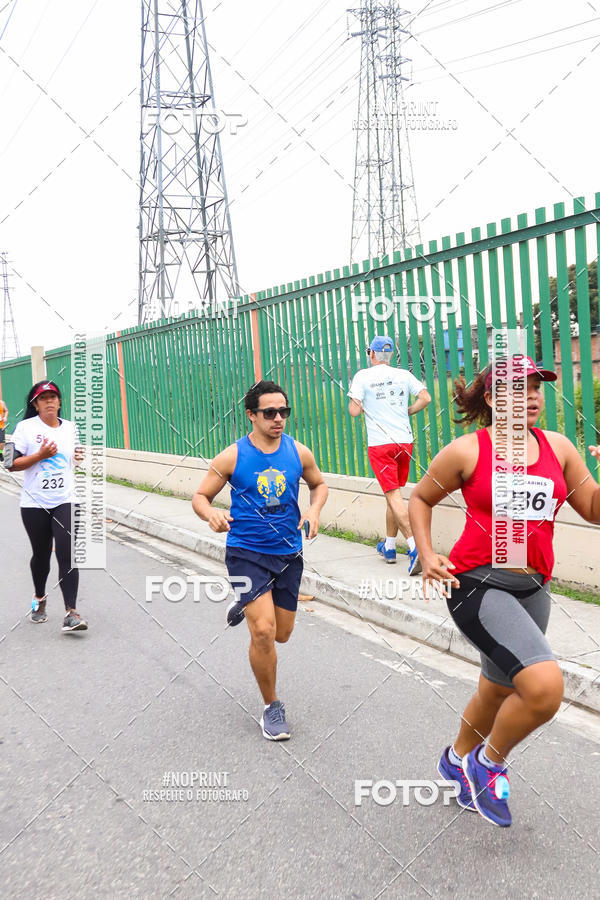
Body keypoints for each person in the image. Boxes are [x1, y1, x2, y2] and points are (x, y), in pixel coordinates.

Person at [408, 356, 600, 827]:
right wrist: (427, 552)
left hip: (534, 585)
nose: (532, 396)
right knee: (543, 689)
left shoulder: (559, 447)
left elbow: (593, 508)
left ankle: (455, 759)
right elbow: (420, 497)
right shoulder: (468, 451)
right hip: (477, 582)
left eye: (537, 387)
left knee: (496, 688)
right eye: (519, 388)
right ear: (493, 399)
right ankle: (487, 764)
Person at [192, 380, 328, 741]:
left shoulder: (299, 452)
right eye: (269, 412)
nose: (278, 418)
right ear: (251, 415)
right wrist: (211, 515)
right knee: (264, 631)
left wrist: (314, 510)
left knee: (282, 634)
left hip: (287, 552)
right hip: (246, 552)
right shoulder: (232, 456)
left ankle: (246, 604)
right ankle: (272, 706)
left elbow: (319, 484)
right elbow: (200, 496)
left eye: (284, 411)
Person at [8, 381, 87, 632]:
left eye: (54, 397)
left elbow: (71, 456)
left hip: (66, 499)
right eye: (43, 398)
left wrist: (76, 456)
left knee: (67, 553)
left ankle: (71, 612)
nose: (50, 401)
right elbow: (10, 463)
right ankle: (39, 599)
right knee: (41, 556)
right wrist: (39, 456)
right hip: (34, 503)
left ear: (60, 402)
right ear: (35, 404)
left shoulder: (71, 428)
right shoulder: (25, 428)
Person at [348, 335, 431, 574]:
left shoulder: (363, 376)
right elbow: (425, 398)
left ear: (371, 354)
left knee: (393, 494)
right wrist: (407, 411)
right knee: (392, 494)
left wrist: (360, 404)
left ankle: (416, 549)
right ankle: (390, 546)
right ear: (391, 354)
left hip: (380, 444)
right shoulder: (403, 375)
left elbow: (354, 411)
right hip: (404, 442)